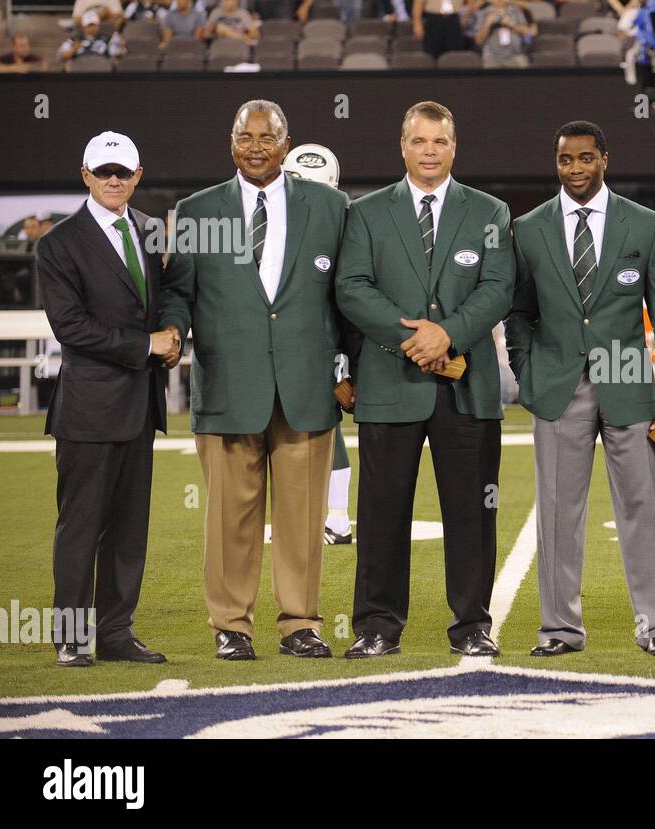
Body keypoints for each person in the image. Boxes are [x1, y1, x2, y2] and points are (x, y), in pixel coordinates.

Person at [160, 100, 353, 661]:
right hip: (228, 387)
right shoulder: (197, 211)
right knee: (229, 519)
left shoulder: (330, 206)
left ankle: (300, 624)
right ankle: (231, 626)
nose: (256, 146)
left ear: (287, 144)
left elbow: (349, 295)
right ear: (231, 142)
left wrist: (353, 369)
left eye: (268, 137)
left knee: (302, 518)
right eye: (246, 136)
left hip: (307, 387)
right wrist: (172, 328)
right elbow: (179, 291)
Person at [336, 101, 515, 659]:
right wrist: (413, 340)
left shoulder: (490, 211)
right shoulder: (365, 213)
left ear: (454, 147)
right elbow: (352, 287)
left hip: (467, 386)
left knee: (472, 512)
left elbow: (499, 287)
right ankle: (376, 626)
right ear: (403, 146)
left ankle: (471, 626)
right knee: (383, 512)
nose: (430, 151)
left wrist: (449, 335)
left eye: (439, 141)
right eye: (419, 141)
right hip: (389, 382)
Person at [506, 121, 655, 657]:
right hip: (557, 388)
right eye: (566, 160)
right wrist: (528, 373)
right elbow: (519, 313)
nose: (576, 169)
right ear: (556, 163)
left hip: (630, 385)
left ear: (604, 158)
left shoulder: (645, 224)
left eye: (586, 158)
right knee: (558, 511)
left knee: (644, 509)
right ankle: (560, 630)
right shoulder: (530, 228)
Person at [38, 131, 176, 668]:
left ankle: (116, 634)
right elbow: (70, 327)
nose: (114, 179)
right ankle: (72, 639)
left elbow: (164, 304)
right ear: (86, 175)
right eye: (104, 171)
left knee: (127, 530)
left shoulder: (149, 230)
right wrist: (147, 345)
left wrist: (173, 333)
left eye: (124, 171)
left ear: (138, 175)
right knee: (80, 530)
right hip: (89, 411)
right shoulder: (59, 242)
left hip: (139, 408)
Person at [280, 142, 357, 546]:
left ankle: (339, 519)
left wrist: (347, 352)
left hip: (323, 345)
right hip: (298, 344)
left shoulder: (342, 225)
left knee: (325, 427)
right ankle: (332, 520)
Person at [475, 0, 536, 67]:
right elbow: (478, 41)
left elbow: (528, 33)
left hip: (515, 55)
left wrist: (512, 24)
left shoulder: (516, 11)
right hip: (491, 57)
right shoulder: (484, 12)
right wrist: (487, 24)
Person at [58, 11, 125, 67]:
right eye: (89, 25)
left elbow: (117, 53)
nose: (92, 28)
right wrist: (73, 50)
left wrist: (121, 47)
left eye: (94, 25)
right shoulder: (73, 40)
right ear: (83, 27)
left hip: (101, 68)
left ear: (98, 25)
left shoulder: (108, 39)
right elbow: (61, 56)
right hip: (80, 69)